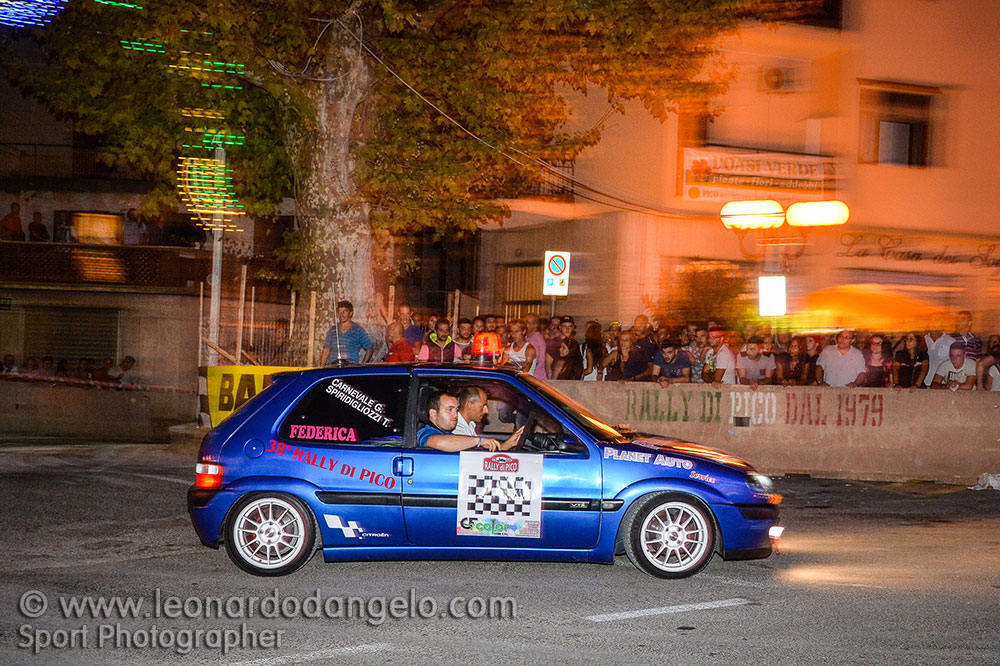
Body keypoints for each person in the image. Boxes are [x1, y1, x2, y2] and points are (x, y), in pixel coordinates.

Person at [417, 390, 522, 452]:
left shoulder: (447, 433)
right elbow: (439, 442)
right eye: (450, 409)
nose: (455, 414)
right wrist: (479, 441)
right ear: (433, 413)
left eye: (456, 409)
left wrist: (504, 446)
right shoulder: (425, 432)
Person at [320, 300, 373, 366]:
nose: (341, 315)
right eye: (339, 312)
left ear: (351, 313)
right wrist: (321, 367)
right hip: (333, 367)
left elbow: (369, 349)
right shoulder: (332, 330)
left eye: (344, 312)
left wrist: (361, 366)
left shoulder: (358, 330)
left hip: (349, 368)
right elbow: (326, 350)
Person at [524, 313, 548, 379]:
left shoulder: (536, 340)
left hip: (536, 377)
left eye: (527, 322)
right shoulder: (527, 337)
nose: (524, 324)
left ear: (535, 325)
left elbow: (534, 360)